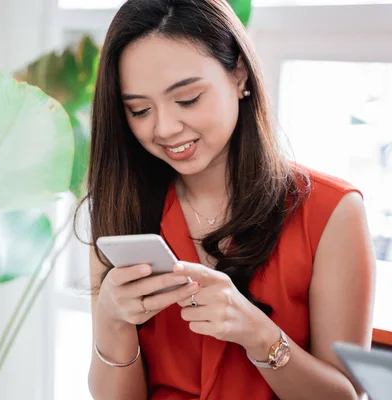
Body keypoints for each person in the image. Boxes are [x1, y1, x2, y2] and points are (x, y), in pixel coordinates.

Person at [80, 0, 377, 399]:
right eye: (140, 109)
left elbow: (344, 396)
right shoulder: (121, 207)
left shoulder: (331, 212)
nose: (165, 128)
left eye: (187, 99)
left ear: (239, 74)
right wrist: (112, 322)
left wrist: (258, 334)